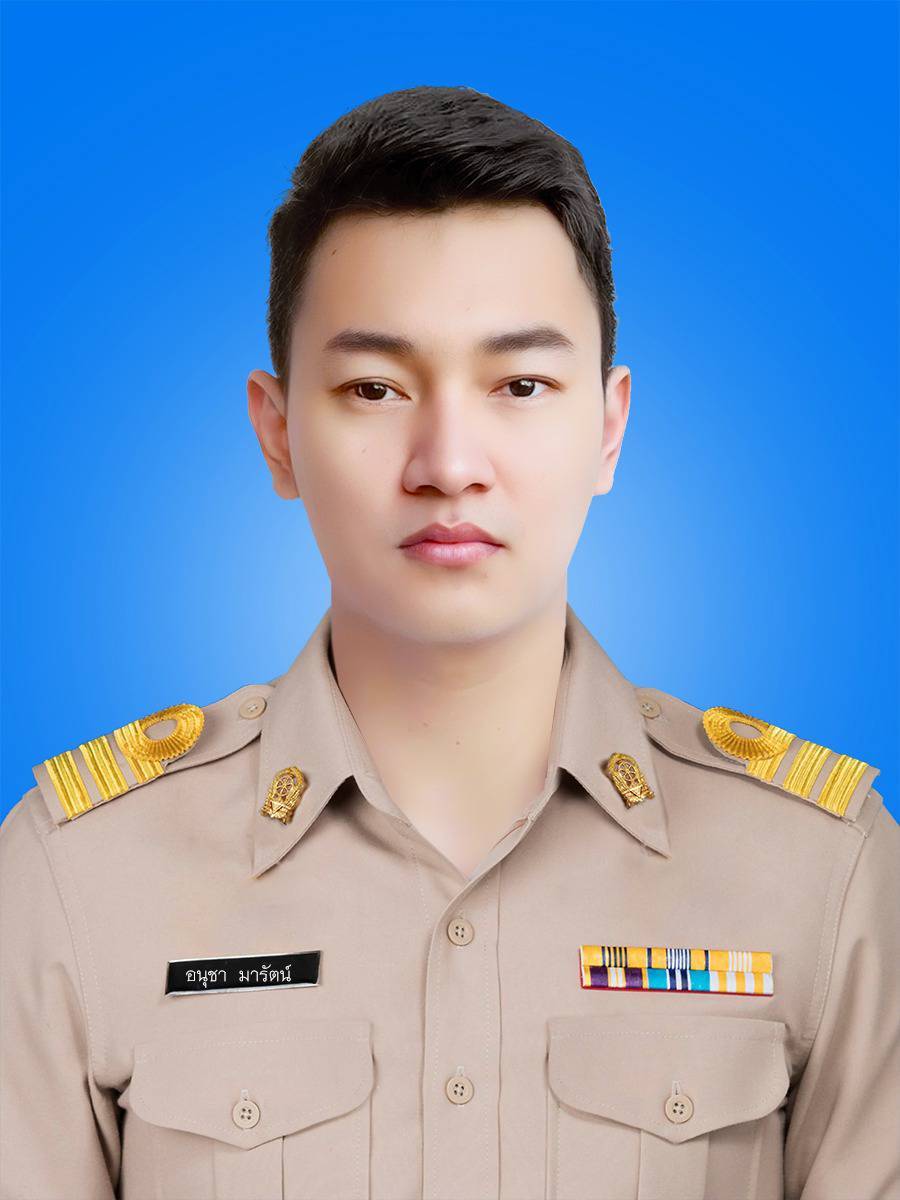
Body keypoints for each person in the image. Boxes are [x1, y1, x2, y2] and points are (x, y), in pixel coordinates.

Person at [1, 84, 898, 1200]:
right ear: (276, 435)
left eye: (520, 383)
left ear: (608, 426)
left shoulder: (824, 872)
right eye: (375, 387)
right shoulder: (76, 879)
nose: (449, 462)